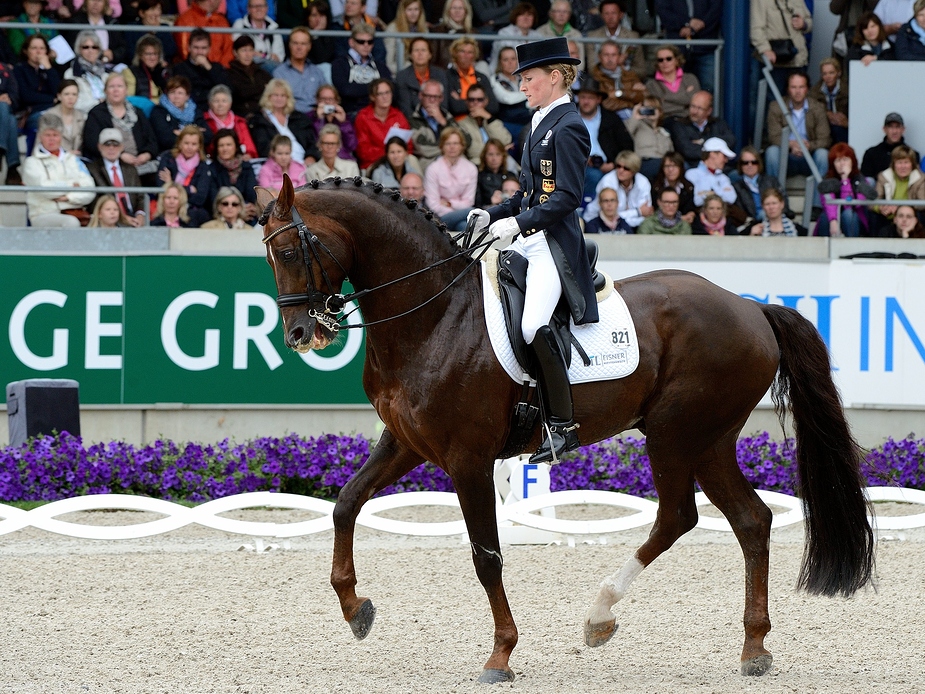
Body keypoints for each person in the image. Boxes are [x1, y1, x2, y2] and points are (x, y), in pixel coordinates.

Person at [467, 38, 595, 463]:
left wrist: (516, 223)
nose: (521, 85)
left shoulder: (570, 125)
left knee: (531, 326)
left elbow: (567, 198)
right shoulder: (539, 120)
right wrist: (492, 213)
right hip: (528, 239)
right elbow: (529, 194)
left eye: (528, 78)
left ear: (555, 77)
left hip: (552, 248)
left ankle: (562, 426)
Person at [21, 113, 96, 228]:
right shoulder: (32, 162)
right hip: (43, 214)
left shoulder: (73, 159)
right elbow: (45, 189)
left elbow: (90, 189)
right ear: (40, 136)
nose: (51, 139)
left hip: (76, 211)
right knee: (71, 223)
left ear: (61, 136)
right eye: (47, 135)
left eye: (55, 135)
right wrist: (72, 185)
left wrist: (68, 197)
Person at [82, 73, 158, 179]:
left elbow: (152, 140)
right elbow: (91, 143)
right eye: (111, 87)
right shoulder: (96, 113)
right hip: (110, 164)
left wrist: (146, 154)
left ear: (126, 90)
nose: (116, 90)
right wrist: (120, 155)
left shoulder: (138, 112)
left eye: (120, 86)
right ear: (105, 91)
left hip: (141, 163)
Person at [574, 76, 633, 206]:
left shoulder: (611, 119)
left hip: (608, 165)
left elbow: (627, 146)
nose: (586, 102)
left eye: (590, 98)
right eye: (583, 97)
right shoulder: (569, 117)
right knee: (592, 175)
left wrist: (614, 164)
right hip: (575, 164)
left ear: (599, 99)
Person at [764, 73, 830, 187]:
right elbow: (773, 136)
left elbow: (825, 139)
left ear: (807, 88)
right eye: (793, 87)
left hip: (810, 156)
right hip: (787, 156)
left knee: (823, 154)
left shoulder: (817, 107)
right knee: (772, 152)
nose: (797, 91)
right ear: (788, 89)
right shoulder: (776, 106)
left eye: (801, 87)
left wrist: (809, 146)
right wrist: (791, 145)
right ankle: (775, 197)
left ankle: (817, 203)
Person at [654, 0, 721, 92]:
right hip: (677, 50)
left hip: (705, 48)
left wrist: (694, 29)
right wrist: (687, 22)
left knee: (709, 88)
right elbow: (663, 12)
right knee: (674, 89)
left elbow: (716, 11)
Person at [157, 125, 217, 227]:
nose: (189, 147)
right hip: (166, 208)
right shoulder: (167, 159)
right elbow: (161, 188)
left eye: (194, 144)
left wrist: (170, 184)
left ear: (199, 146)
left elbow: (200, 198)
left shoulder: (203, 166)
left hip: (191, 210)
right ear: (180, 143)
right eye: (186, 143)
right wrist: (189, 189)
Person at [250, 79, 319, 166]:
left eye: (283, 95)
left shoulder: (299, 117)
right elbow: (263, 147)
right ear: (268, 97)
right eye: (275, 95)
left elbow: (311, 143)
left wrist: (311, 156)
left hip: (305, 162)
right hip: (278, 165)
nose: (279, 99)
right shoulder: (260, 120)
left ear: (288, 98)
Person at [87, 127, 147, 227]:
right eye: (107, 144)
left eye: (115, 144)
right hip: (108, 219)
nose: (111, 148)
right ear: (99, 146)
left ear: (122, 147)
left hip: (133, 218)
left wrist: (140, 214)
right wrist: (122, 217)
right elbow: (93, 201)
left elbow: (140, 196)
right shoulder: (92, 169)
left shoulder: (130, 169)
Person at [750, 0, 812, 96]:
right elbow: (755, 28)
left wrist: (804, 24)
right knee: (774, 102)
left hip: (798, 60)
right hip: (776, 62)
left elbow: (809, 21)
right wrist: (765, 49)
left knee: (799, 102)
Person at [814, 143, 877, 237]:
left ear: (852, 162)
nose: (842, 164)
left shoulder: (862, 181)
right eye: (838, 160)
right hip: (831, 221)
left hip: (855, 221)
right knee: (825, 216)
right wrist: (833, 220)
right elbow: (828, 203)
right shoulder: (827, 180)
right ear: (833, 164)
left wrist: (845, 180)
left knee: (848, 214)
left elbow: (855, 203)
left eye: (845, 159)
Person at [583, 150, 653, 231]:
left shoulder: (643, 182)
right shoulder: (608, 181)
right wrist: (637, 212)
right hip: (597, 223)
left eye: (626, 168)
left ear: (634, 170)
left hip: (629, 225)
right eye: (618, 166)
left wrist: (633, 216)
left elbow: (646, 214)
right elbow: (609, 215)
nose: (621, 170)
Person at [332, 23, 392, 116]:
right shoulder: (339, 64)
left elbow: (391, 89)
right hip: (352, 113)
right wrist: (377, 90)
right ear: (351, 42)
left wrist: (358, 90)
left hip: (379, 113)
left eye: (370, 42)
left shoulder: (380, 66)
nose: (366, 45)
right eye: (361, 42)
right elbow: (346, 90)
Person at [665, 90, 735, 169]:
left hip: (719, 168)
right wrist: (714, 151)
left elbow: (730, 140)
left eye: (699, 108)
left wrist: (702, 142)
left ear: (709, 111)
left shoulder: (718, 123)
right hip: (692, 167)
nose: (694, 111)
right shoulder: (680, 125)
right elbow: (687, 150)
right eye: (693, 106)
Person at [424, 127, 476, 230]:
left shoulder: (471, 168)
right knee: (471, 212)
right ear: (442, 146)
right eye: (448, 143)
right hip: (440, 217)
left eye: (456, 143)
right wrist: (457, 211)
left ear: (462, 146)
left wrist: (449, 203)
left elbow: (469, 201)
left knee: (464, 226)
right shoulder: (433, 169)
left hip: (461, 217)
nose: (452, 147)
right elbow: (433, 204)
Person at [354, 78, 412, 170]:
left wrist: (394, 154)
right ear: (372, 97)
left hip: (399, 160)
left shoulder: (398, 115)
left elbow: (409, 145)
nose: (385, 97)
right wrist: (390, 153)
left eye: (387, 92)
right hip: (374, 163)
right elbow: (363, 151)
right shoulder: (363, 117)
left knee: (413, 160)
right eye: (380, 94)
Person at [149, 76, 211, 154]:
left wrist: (180, 132)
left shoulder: (195, 111)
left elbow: (208, 136)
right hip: (169, 155)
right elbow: (166, 139)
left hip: (196, 155)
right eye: (172, 92)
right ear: (167, 94)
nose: (176, 97)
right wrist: (195, 130)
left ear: (187, 96)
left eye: (180, 93)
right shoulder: (158, 112)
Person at [171, 29, 229, 113]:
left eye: (203, 48)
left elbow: (227, 89)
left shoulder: (216, 67)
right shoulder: (180, 68)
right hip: (189, 111)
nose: (200, 52)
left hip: (214, 111)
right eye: (196, 48)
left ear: (209, 49)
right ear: (189, 48)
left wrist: (209, 68)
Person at [586, 0, 646, 77]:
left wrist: (623, 71)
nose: (610, 17)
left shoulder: (633, 37)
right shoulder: (592, 36)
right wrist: (614, 63)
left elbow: (641, 70)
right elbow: (591, 68)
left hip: (626, 81)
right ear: (601, 15)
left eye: (613, 13)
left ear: (621, 15)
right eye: (606, 13)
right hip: (601, 82)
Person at [273, 27, 326, 114]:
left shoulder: (317, 72)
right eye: (295, 43)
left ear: (309, 46)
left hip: (317, 115)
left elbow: (325, 96)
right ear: (289, 45)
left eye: (303, 44)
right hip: (292, 116)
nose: (299, 47)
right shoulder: (279, 73)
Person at [732, 145, 789, 222]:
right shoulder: (736, 187)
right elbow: (739, 212)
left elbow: (783, 202)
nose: (750, 165)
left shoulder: (771, 181)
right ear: (740, 165)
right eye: (745, 163)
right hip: (750, 224)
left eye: (754, 162)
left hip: (775, 220)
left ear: (759, 163)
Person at [394, 38, 448, 121]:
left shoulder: (440, 74)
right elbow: (405, 108)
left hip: (438, 119)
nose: (420, 54)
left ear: (430, 55)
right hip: (414, 123)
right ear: (411, 55)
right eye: (416, 50)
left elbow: (443, 104)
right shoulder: (402, 76)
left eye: (423, 50)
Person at [14, 35, 60, 131]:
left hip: (55, 109)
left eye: (42, 48)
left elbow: (58, 91)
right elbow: (26, 96)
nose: (38, 52)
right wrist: (53, 99)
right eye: (34, 48)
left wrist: (48, 68)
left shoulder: (51, 70)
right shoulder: (19, 69)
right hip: (34, 112)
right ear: (26, 51)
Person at [456, 84, 511, 164]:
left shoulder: (492, 120)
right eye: (471, 100)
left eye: (480, 100)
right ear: (467, 102)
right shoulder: (460, 125)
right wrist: (499, 150)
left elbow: (506, 141)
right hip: (477, 164)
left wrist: (488, 117)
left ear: (486, 101)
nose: (475, 103)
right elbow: (473, 152)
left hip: (500, 164)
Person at [589, 40, 645, 118]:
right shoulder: (594, 78)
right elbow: (606, 103)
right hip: (608, 119)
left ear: (619, 56)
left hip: (634, 117)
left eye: (613, 55)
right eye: (606, 55)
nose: (610, 59)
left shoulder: (630, 75)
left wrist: (619, 93)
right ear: (599, 57)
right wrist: (632, 102)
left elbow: (643, 97)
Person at [445, 37, 498, 120]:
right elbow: (454, 107)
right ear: (455, 53)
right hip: (457, 123)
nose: (466, 55)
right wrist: (480, 103)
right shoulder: (447, 76)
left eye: (470, 52)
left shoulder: (482, 77)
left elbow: (493, 106)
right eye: (462, 51)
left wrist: (461, 101)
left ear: (474, 56)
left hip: (481, 121)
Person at [211, 128, 258, 221]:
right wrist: (237, 211)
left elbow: (252, 194)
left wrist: (243, 210)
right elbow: (213, 198)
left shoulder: (246, 167)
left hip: (246, 215)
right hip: (220, 215)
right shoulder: (212, 169)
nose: (225, 149)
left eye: (229, 145)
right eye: (221, 145)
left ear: (236, 146)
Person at [644, 44, 700, 120]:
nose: (664, 62)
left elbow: (697, 104)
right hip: (665, 121)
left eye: (669, 59)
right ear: (657, 63)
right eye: (660, 60)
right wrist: (685, 102)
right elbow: (660, 109)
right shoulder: (651, 84)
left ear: (677, 60)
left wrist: (665, 98)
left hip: (689, 120)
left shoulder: (690, 78)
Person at [408, 79, 456, 169]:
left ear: (441, 98)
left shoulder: (447, 116)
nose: (432, 100)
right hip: (428, 163)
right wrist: (453, 148)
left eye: (436, 97)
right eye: (428, 96)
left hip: (452, 161)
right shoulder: (413, 119)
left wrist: (443, 122)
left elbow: (465, 140)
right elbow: (423, 148)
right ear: (420, 96)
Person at [62, 31, 113, 114]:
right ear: (79, 49)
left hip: (109, 113)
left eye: (94, 47)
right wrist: (99, 104)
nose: (90, 50)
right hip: (84, 116)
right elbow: (72, 101)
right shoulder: (71, 73)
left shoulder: (107, 73)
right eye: (86, 47)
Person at [874, 145, 925, 224]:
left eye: (906, 162)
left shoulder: (920, 178)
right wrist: (882, 208)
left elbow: (922, 203)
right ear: (893, 165)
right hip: (889, 216)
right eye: (899, 162)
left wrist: (900, 208)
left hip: (910, 217)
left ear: (912, 165)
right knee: (875, 216)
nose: (903, 166)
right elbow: (874, 200)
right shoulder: (884, 176)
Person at [65, 0, 127, 65]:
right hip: (83, 65)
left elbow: (122, 47)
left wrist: (113, 54)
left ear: (105, 4)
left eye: (99, 1)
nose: (95, 3)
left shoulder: (112, 22)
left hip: (110, 65)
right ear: (86, 2)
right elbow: (72, 46)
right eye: (92, 0)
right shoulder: (76, 22)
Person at [203, 85, 257, 158]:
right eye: (216, 101)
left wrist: (249, 155)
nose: (220, 105)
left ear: (230, 104)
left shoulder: (239, 121)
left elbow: (249, 146)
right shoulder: (204, 120)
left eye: (224, 101)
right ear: (210, 104)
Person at [685, 136, 738, 210]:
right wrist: (721, 192)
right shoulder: (692, 174)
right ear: (713, 154)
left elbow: (731, 199)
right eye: (724, 156)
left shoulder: (724, 178)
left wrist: (709, 193)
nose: (726, 160)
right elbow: (697, 201)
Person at [626, 97, 672, 181]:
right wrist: (635, 117)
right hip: (644, 163)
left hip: (664, 164)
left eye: (654, 108)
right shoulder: (637, 125)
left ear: (660, 112)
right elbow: (623, 136)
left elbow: (672, 153)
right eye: (647, 108)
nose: (650, 110)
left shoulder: (664, 132)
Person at [176, 0, 234, 68]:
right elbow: (184, 50)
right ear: (211, 1)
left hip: (218, 72)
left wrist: (219, 70)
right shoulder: (185, 20)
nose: (221, 2)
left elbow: (228, 50)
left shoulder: (222, 21)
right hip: (191, 71)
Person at [861, 112, 918, 179]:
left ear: (903, 130)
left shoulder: (913, 154)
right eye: (890, 127)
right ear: (884, 129)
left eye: (897, 127)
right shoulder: (871, 154)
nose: (894, 131)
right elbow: (866, 181)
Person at [228, 35, 273, 118]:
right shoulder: (229, 74)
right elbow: (240, 94)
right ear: (235, 52)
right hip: (244, 116)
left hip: (266, 114)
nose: (248, 54)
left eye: (250, 50)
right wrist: (262, 90)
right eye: (243, 50)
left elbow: (273, 90)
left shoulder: (261, 72)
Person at [489, 2, 542, 72]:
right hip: (505, 74)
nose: (526, 18)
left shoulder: (538, 35)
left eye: (529, 15)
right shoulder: (505, 33)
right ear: (515, 16)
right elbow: (508, 60)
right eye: (522, 14)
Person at [232, 0, 284, 71]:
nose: (258, 9)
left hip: (270, 67)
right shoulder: (240, 25)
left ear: (267, 8)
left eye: (261, 6)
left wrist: (261, 55)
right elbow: (240, 52)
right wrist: (268, 56)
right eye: (254, 6)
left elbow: (278, 58)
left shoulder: (274, 27)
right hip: (246, 67)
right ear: (248, 9)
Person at [310, 84, 358, 160]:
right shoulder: (310, 117)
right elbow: (315, 144)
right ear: (317, 100)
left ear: (336, 101)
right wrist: (319, 120)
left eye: (331, 99)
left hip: (343, 159)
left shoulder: (341, 116)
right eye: (323, 99)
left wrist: (344, 123)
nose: (327, 102)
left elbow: (352, 146)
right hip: (321, 159)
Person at [490, 45, 529, 136]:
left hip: (528, 121)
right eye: (506, 60)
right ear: (500, 62)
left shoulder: (524, 77)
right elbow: (507, 99)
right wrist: (527, 93)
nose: (510, 63)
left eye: (513, 59)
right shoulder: (494, 79)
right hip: (507, 124)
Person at [125, 0, 178, 67]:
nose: (156, 13)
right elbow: (130, 53)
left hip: (161, 67)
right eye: (152, 9)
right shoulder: (132, 28)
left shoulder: (164, 28)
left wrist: (156, 31)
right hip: (138, 68)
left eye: (158, 9)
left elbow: (171, 51)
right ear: (141, 13)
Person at [125, 34, 170, 113]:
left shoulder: (164, 73)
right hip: (141, 112)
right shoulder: (130, 72)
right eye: (148, 54)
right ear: (140, 55)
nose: (152, 58)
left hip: (163, 112)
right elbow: (129, 99)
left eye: (155, 54)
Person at [809, 58, 849, 144]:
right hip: (822, 127)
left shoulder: (848, 90)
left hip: (844, 128)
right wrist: (827, 114)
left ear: (839, 73)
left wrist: (847, 122)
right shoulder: (814, 92)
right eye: (824, 74)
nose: (828, 77)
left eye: (831, 73)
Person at [43, 79, 86, 159]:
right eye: (66, 94)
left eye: (74, 94)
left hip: (77, 160)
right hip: (53, 159)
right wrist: (65, 154)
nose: (70, 98)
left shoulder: (81, 116)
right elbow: (42, 144)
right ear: (59, 96)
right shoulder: (49, 116)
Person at [385, 0, 429, 75]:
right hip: (399, 73)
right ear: (403, 12)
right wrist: (408, 72)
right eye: (409, 10)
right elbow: (389, 62)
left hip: (421, 73)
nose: (413, 13)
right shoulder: (392, 29)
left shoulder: (424, 29)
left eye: (416, 9)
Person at [536, 1, 585, 69]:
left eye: (565, 11)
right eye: (558, 11)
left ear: (570, 15)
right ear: (551, 13)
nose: (561, 15)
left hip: (571, 75)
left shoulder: (577, 34)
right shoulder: (540, 32)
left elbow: (581, 63)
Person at [652, 152, 696, 222]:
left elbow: (689, 209)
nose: (670, 170)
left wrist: (691, 214)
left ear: (681, 168)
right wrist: (678, 219)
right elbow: (653, 211)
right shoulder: (654, 186)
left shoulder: (688, 187)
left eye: (675, 166)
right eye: (667, 166)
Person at [432, 0, 473, 69]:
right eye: (454, 8)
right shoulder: (438, 31)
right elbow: (433, 58)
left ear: (466, 11)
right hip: (443, 71)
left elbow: (478, 58)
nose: (457, 11)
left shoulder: (472, 32)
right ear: (448, 11)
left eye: (460, 8)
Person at [475, 138, 514, 206]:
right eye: (490, 154)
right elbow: (476, 203)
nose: (494, 159)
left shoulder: (510, 176)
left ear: (503, 156)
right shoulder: (478, 176)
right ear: (484, 156)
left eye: (498, 154)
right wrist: (490, 202)